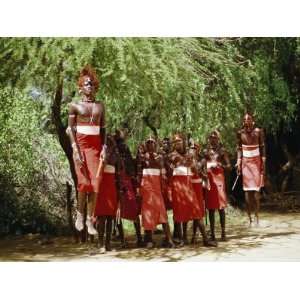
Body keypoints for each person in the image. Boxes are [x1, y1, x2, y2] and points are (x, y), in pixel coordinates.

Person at [66, 65, 106, 235]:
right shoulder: (74, 106)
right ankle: (80, 215)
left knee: (95, 185)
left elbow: (103, 129)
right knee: (84, 184)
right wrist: (75, 149)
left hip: (96, 149)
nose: (89, 86)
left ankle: (90, 220)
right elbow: (70, 130)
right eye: (86, 84)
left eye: (91, 84)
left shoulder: (100, 106)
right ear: (80, 87)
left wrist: (104, 147)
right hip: (81, 148)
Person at [169, 133, 215, 247]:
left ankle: (205, 239)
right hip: (178, 185)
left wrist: (192, 161)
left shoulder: (188, 154)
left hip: (188, 185)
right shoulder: (173, 155)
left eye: (179, 141)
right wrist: (187, 159)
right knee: (179, 212)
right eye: (175, 142)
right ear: (173, 144)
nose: (177, 143)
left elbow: (195, 169)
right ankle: (183, 239)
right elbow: (176, 161)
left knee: (196, 211)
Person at [136, 136, 174, 248]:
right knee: (147, 213)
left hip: (157, 188)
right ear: (146, 145)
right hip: (146, 187)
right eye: (148, 142)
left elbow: (168, 171)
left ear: (155, 144)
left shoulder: (161, 157)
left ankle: (169, 240)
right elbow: (138, 173)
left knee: (161, 212)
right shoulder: (142, 158)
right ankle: (149, 240)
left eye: (152, 142)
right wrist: (138, 188)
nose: (150, 144)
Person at [114, 129, 143, 247]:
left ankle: (137, 238)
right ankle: (124, 240)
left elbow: (132, 170)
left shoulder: (124, 154)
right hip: (119, 184)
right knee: (118, 213)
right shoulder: (114, 154)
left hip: (126, 185)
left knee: (131, 211)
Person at [236, 113, 266, 226]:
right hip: (246, 163)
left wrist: (263, 163)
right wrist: (238, 161)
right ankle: (250, 219)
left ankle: (257, 216)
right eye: (244, 119)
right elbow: (239, 148)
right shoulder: (240, 133)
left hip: (257, 162)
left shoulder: (258, 131)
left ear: (252, 120)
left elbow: (263, 147)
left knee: (256, 192)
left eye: (249, 119)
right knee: (247, 192)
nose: (246, 121)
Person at [94, 134, 121, 254]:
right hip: (101, 186)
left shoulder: (116, 156)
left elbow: (119, 173)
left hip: (111, 187)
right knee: (101, 216)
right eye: (107, 141)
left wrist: (119, 189)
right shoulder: (98, 153)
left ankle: (108, 244)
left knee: (110, 216)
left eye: (111, 141)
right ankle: (100, 244)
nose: (109, 143)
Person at [204, 130, 231, 241]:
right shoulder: (206, 152)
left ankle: (223, 232)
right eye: (211, 137)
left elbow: (229, 166)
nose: (213, 139)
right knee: (211, 207)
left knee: (220, 207)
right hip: (210, 178)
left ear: (218, 139)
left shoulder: (222, 151)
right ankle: (213, 233)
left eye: (215, 137)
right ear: (209, 139)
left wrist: (220, 164)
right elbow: (201, 164)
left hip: (219, 178)